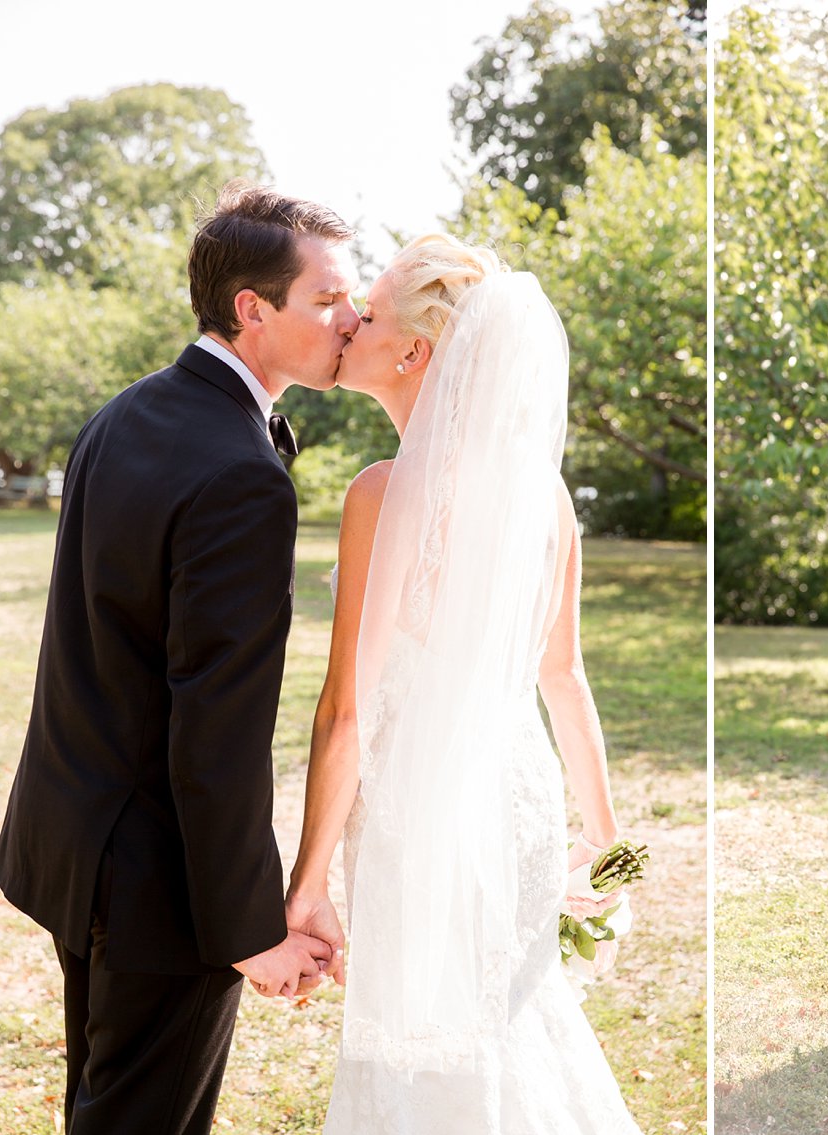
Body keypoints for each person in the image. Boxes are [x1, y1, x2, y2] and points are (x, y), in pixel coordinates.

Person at [0, 181, 359, 1134]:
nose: (350, 319)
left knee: (103, 1103)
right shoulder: (241, 474)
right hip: (162, 885)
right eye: (326, 300)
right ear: (253, 309)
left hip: (75, 848)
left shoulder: (124, 414)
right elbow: (218, 730)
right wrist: (249, 931)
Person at [284, 233, 642, 1131]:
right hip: (517, 805)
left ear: (412, 352)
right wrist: (607, 841)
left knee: (420, 1046)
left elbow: (348, 713)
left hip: (417, 814)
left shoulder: (377, 494)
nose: (348, 324)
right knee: (509, 1024)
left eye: (364, 313)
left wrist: (306, 882)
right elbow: (564, 678)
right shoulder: (546, 499)